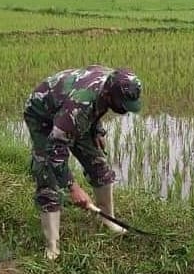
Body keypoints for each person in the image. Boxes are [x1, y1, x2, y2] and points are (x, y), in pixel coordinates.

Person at [23, 65, 142, 259]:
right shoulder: (79, 107)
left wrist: (96, 129)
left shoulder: (112, 83)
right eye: (122, 105)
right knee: (48, 177)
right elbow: (56, 149)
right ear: (111, 96)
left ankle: (108, 220)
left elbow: (98, 106)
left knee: (99, 165)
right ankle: (52, 247)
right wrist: (73, 188)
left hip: (69, 111)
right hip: (42, 113)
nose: (125, 110)